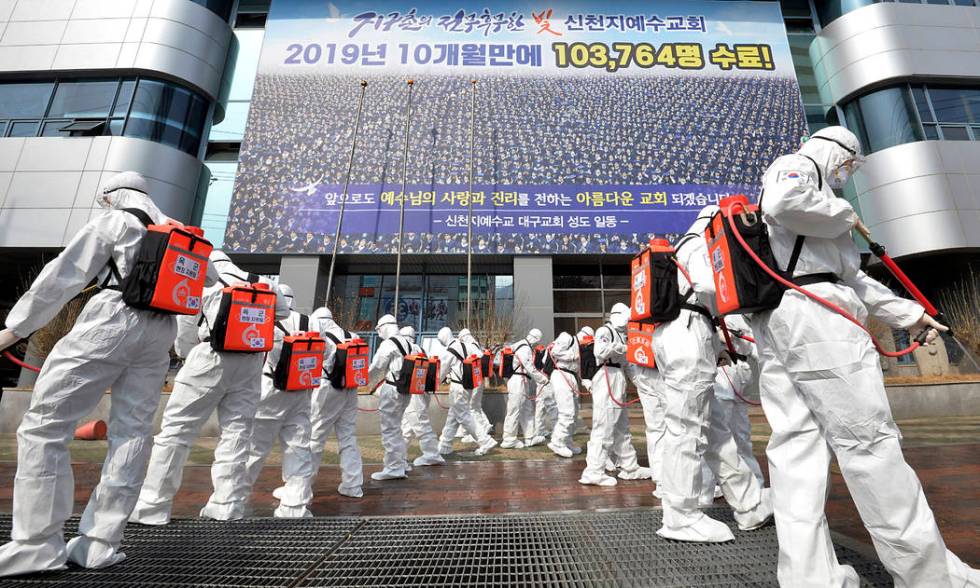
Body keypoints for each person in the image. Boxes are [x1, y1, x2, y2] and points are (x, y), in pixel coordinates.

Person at [755, 125, 977, 586]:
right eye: (851, 165)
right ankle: (928, 576)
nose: (848, 174)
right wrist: (844, 212)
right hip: (817, 322)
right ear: (839, 152)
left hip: (791, 318)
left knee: (798, 450)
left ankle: (809, 577)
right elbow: (782, 203)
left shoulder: (816, 206)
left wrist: (911, 314)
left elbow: (853, 279)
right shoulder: (799, 167)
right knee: (870, 445)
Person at [0, 172, 210, 575]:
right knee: (132, 431)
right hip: (160, 331)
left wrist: (16, 328)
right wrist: (182, 350)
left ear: (112, 195)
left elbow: (64, 275)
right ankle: (101, 543)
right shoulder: (181, 234)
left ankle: (37, 543)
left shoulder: (117, 220)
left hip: (112, 319)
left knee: (45, 425)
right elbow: (202, 288)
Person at [130, 252, 290, 525]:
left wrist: (189, 354)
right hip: (250, 362)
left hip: (210, 355)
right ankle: (227, 504)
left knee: (177, 431)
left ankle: (153, 505)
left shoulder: (205, 283)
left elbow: (185, 330)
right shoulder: (263, 282)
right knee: (237, 433)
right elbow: (284, 311)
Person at [651, 206, 772, 542]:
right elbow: (706, 284)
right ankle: (681, 515)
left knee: (716, 430)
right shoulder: (698, 243)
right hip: (687, 335)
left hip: (691, 333)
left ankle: (749, 504)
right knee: (687, 428)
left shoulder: (687, 244)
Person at [241, 285, 315, 518]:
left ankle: (234, 499)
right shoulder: (310, 322)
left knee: (255, 447)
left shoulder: (266, 318)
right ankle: (295, 506)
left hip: (270, 388)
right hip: (301, 389)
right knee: (299, 446)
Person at [579, 304, 650, 486]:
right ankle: (594, 470)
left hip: (617, 377)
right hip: (606, 376)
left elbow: (628, 364)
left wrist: (641, 384)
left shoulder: (621, 334)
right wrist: (625, 347)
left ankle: (630, 466)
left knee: (621, 426)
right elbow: (599, 351)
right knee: (604, 425)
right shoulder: (605, 330)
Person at [700, 315, 764, 504]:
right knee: (717, 438)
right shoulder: (719, 315)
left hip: (740, 371)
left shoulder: (746, 316)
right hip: (724, 371)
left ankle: (756, 487)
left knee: (741, 436)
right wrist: (719, 333)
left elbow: (757, 347)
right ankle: (705, 493)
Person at [307, 307, 363, 498]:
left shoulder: (320, 336)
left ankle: (302, 486)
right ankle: (353, 485)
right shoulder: (353, 336)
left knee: (315, 436)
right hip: (350, 388)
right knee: (348, 437)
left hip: (327, 388)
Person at [365, 315, 414, 481]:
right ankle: (401, 463)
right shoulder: (410, 344)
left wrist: (361, 380)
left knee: (390, 429)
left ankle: (393, 468)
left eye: (379, 330)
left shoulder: (388, 343)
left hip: (392, 389)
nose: (378, 334)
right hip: (406, 391)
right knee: (397, 429)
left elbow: (377, 365)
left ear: (384, 326)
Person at [435, 327, 498, 456]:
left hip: (457, 388)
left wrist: (431, 385)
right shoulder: (467, 345)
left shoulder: (450, 352)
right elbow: (480, 357)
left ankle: (485, 441)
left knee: (464, 416)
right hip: (469, 385)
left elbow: (441, 373)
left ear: (443, 339)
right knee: (453, 416)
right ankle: (445, 445)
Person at [399, 326, 446, 467]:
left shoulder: (406, 349)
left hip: (413, 394)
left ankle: (432, 454)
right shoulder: (421, 349)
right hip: (422, 391)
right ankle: (399, 457)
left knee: (420, 423)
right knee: (407, 426)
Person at [501, 329, 549, 449]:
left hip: (521, 380)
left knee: (527, 409)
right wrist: (542, 379)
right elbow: (529, 367)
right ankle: (509, 439)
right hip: (518, 381)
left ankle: (529, 437)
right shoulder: (524, 348)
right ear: (536, 339)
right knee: (514, 410)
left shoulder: (519, 345)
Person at [625, 363, 667, 489]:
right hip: (664, 372)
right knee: (679, 428)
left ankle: (661, 481)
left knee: (655, 429)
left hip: (643, 372)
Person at [546, 331, 582, 458]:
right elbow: (555, 352)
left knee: (575, 413)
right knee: (567, 412)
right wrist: (573, 356)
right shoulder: (567, 337)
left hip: (571, 376)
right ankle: (557, 441)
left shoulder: (579, 346)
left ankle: (567, 440)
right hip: (561, 374)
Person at [456, 329, 493, 441]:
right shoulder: (476, 344)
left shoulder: (470, 346)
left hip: (474, 379)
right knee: (476, 406)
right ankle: (485, 425)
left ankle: (477, 431)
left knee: (471, 407)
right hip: (479, 379)